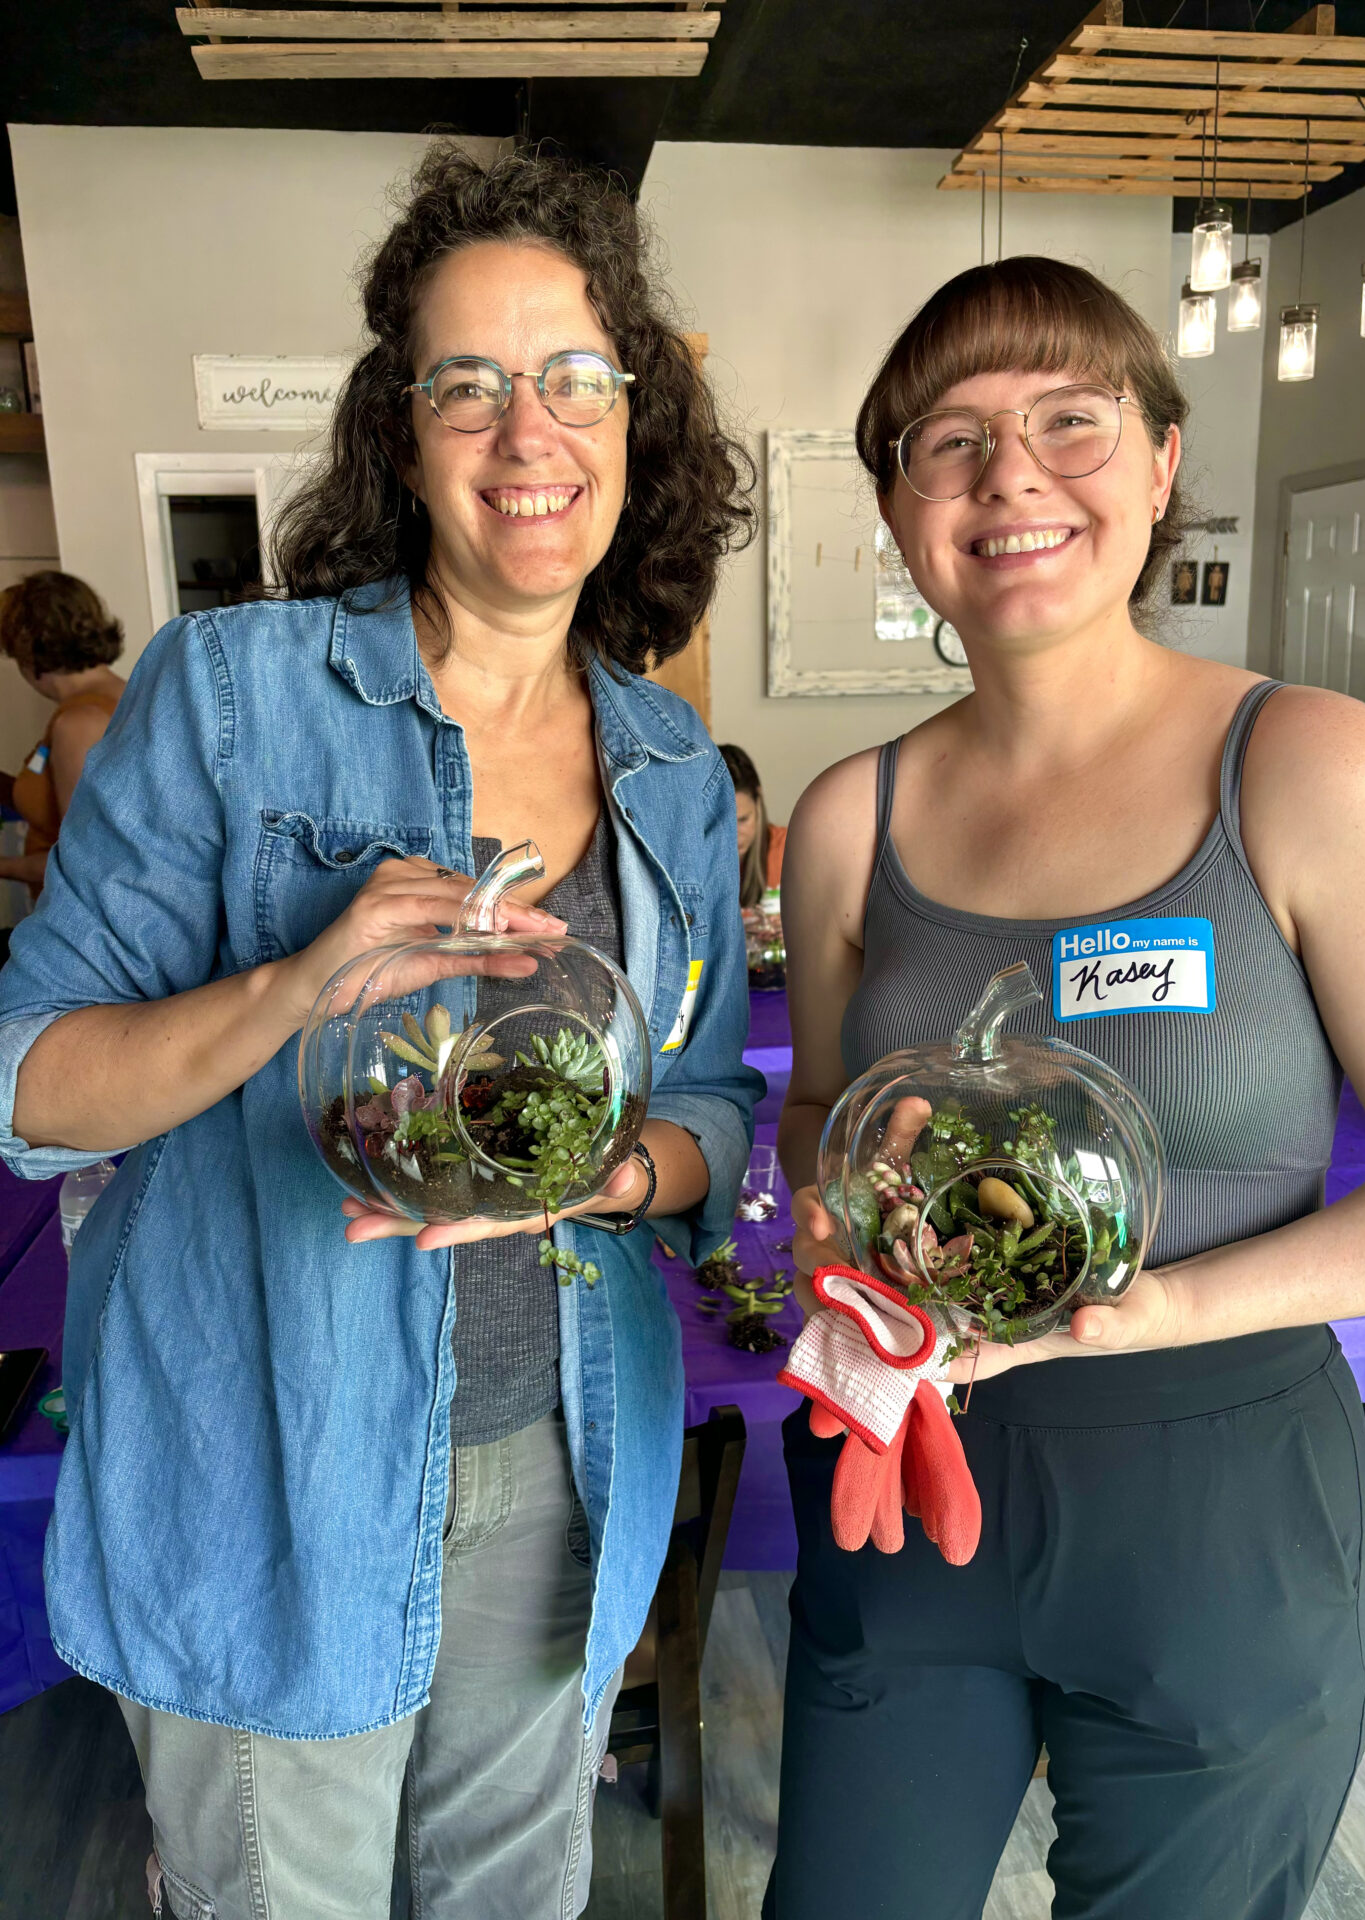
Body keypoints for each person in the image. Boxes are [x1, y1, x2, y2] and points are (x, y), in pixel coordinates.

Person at [0, 147, 761, 1920]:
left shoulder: (666, 764)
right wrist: (294, 984)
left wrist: (603, 1179)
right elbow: (28, 1078)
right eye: (467, 384)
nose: (527, 431)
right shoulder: (232, 694)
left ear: (637, 418)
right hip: (269, 1470)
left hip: (565, 1460)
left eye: (575, 377)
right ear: (399, 430)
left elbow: (708, 1107)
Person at [767, 257, 1365, 1920]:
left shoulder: (1308, 766)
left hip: (1214, 1516)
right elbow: (818, 1120)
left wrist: (1161, 1310)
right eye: (951, 439)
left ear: (1158, 464)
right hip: (911, 1483)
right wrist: (842, 1229)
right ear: (899, 507)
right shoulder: (855, 812)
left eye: (1070, 422)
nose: (1010, 476)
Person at [0, 571, 125, 897]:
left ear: (28, 651)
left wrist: (4, 866)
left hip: (80, 932)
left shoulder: (79, 723)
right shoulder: (121, 694)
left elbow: (87, 861)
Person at [719, 741, 786, 906]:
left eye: (743, 820)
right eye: (723, 824)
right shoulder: (689, 861)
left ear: (758, 799)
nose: (734, 834)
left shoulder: (788, 849)